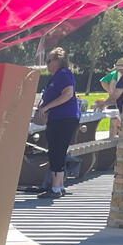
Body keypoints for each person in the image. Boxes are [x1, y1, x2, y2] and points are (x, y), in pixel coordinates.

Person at [35, 47, 80, 198]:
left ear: (58, 61)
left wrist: (47, 107)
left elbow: (68, 93)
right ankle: (59, 186)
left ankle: (55, 189)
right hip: (58, 118)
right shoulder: (55, 77)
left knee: (56, 151)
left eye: (49, 61)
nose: (47, 64)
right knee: (57, 151)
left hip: (64, 118)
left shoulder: (64, 74)